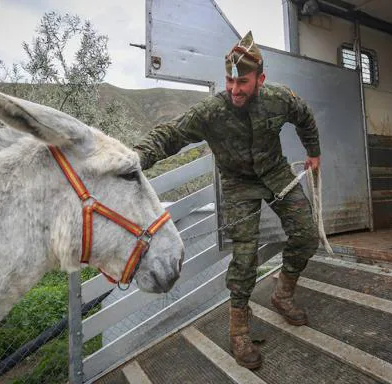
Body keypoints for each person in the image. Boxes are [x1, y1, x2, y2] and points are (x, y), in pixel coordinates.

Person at [133, 31, 320, 369]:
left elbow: (305, 116)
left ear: (260, 79)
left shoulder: (280, 99)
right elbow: (171, 134)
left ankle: (282, 294)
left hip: (276, 174)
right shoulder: (212, 111)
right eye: (230, 81)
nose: (235, 89)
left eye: (243, 82)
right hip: (238, 185)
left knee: (306, 234)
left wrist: (314, 153)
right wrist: (135, 157)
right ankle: (238, 329)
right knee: (245, 257)